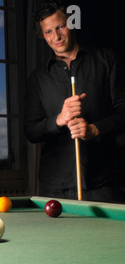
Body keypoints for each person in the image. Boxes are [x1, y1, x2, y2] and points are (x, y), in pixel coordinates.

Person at [25, 0, 125, 202]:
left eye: (60, 27)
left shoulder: (107, 60)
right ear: (42, 36)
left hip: (104, 183)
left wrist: (95, 129)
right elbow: (31, 131)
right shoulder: (38, 78)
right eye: (48, 32)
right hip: (55, 187)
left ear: (71, 24)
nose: (56, 37)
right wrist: (58, 120)